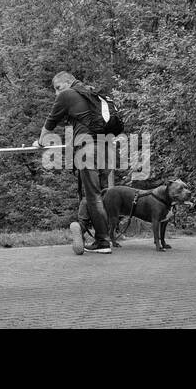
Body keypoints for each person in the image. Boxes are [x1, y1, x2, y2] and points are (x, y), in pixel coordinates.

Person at [39, 70, 112, 255]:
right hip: (107, 147)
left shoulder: (68, 95)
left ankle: (103, 241)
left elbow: (49, 124)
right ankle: (84, 226)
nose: (57, 93)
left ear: (68, 83)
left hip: (88, 149)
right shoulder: (92, 93)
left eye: (58, 88)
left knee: (93, 195)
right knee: (99, 194)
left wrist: (40, 142)